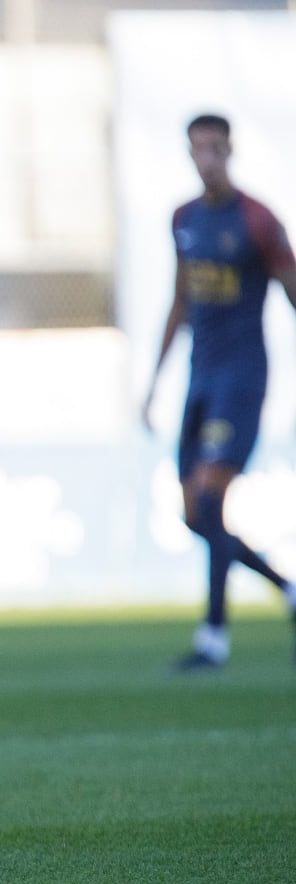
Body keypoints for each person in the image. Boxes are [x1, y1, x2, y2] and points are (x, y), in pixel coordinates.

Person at [141, 112, 296, 671]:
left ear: (229, 150)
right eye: (196, 149)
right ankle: (287, 587)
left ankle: (213, 638)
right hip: (199, 378)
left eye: (214, 148)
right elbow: (179, 301)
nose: (205, 158)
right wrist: (154, 383)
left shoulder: (257, 222)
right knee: (192, 514)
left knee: (211, 499)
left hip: (243, 378)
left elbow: (292, 289)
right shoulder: (182, 219)